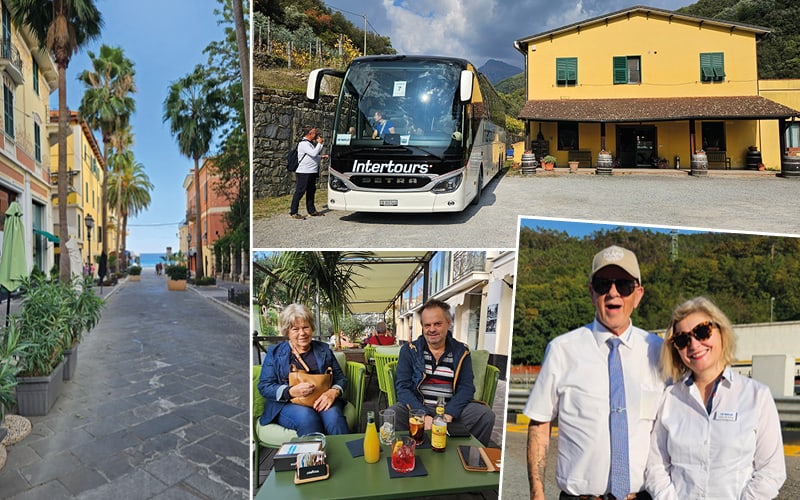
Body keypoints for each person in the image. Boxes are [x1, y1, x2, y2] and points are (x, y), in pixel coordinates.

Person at [524, 245, 664, 500]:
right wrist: (537, 492)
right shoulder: (562, 350)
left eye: (623, 285)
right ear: (592, 292)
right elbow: (540, 422)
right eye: (603, 284)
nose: (613, 293)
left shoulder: (658, 353)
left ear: (638, 294)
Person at [645, 297, 786, 499]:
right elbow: (656, 466)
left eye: (702, 331)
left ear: (721, 332)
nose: (693, 344)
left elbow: (771, 471)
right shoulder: (670, 398)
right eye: (682, 340)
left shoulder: (756, 396)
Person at [388, 299, 495, 446]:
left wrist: (448, 415)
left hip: (450, 409)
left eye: (437, 324)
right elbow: (403, 388)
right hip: (419, 406)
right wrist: (422, 414)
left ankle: (468, 454)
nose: (432, 329)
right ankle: (407, 451)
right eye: (427, 325)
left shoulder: (461, 351)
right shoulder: (409, 350)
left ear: (448, 323)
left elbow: (466, 388)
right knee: (392, 414)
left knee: (484, 415)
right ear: (423, 327)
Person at [257, 303, 349, 436]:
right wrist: (290, 391)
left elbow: (340, 378)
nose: (302, 333)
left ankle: (343, 455)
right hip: (288, 404)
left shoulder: (324, 350)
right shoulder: (275, 353)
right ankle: (313, 457)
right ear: (287, 332)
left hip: (322, 398)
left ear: (311, 328)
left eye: (306, 327)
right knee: (307, 418)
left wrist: (333, 392)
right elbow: (265, 386)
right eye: (295, 329)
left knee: (334, 417)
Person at [290, 126, 327, 220]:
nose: (316, 135)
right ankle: (293, 212)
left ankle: (311, 210)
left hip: (311, 171)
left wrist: (321, 156)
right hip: (304, 172)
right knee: (300, 191)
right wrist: (320, 144)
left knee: (311, 191)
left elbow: (312, 156)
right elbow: (313, 153)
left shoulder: (309, 144)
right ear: (309, 134)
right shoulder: (303, 144)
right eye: (314, 133)